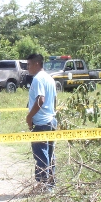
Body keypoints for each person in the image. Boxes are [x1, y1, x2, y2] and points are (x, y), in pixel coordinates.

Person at [25, 53, 57, 188]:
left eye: (29, 65)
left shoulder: (38, 79)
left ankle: (44, 185)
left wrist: (29, 117)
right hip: (51, 120)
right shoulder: (50, 79)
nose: (27, 68)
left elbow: (40, 99)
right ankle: (51, 184)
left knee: (41, 155)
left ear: (36, 64)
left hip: (40, 123)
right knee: (49, 154)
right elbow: (54, 100)